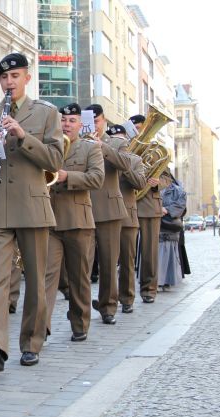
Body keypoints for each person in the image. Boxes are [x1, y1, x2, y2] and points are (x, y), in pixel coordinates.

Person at [0, 53, 64, 371]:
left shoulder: (46, 114)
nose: (9, 83)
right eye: (4, 78)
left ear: (27, 78)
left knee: (35, 280)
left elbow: (54, 161)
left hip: (32, 207)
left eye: (15, 77)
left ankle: (32, 342)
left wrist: (23, 137)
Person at [44, 103, 104, 342]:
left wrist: (68, 176)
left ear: (81, 124)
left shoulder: (90, 148)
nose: (67, 124)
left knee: (79, 278)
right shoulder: (49, 148)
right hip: (50, 220)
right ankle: (41, 328)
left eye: (72, 120)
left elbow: (97, 178)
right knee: (46, 277)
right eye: (64, 120)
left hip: (79, 221)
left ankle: (79, 324)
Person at [86, 105, 131, 326]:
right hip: (82, 208)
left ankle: (108, 306)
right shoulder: (77, 141)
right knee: (81, 265)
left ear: (104, 121)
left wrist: (101, 145)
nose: (93, 124)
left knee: (108, 262)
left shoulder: (117, 142)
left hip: (109, 210)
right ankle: (80, 309)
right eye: (89, 120)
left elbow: (126, 165)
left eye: (96, 120)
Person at [112, 125, 147, 314]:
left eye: (122, 140)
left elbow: (141, 183)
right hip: (107, 213)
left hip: (127, 216)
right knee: (108, 262)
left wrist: (124, 167)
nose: (119, 143)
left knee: (127, 260)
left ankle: (127, 298)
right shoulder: (104, 157)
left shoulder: (135, 160)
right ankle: (108, 298)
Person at [158, 175, 187, 286]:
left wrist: (166, 210)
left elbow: (181, 205)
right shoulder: (154, 188)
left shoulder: (178, 191)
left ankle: (166, 280)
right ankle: (158, 280)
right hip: (156, 225)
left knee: (168, 254)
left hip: (169, 226)